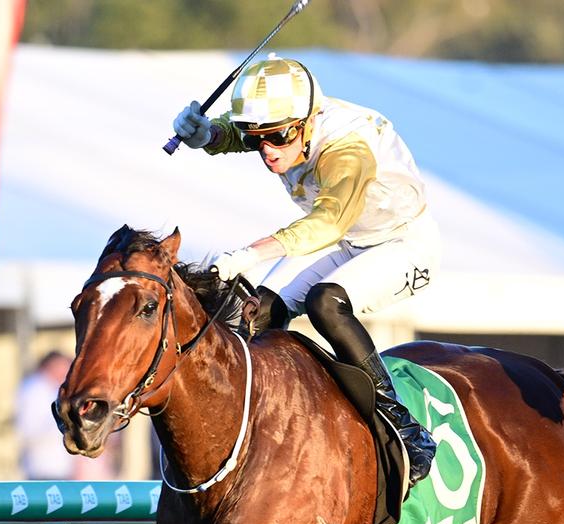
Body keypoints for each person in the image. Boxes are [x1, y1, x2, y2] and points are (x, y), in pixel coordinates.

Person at [170, 54, 439, 481]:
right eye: (256, 138)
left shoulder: (346, 148)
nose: (267, 151)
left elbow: (328, 222)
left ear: (307, 123)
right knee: (257, 315)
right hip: (351, 240)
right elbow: (247, 132)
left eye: (276, 137)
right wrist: (212, 135)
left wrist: (250, 253)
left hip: (402, 242)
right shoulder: (290, 125)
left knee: (326, 303)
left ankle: (404, 430)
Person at [17, 351, 75, 482]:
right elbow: (28, 431)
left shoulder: (52, 389)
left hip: (60, 469)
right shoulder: (34, 389)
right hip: (42, 469)